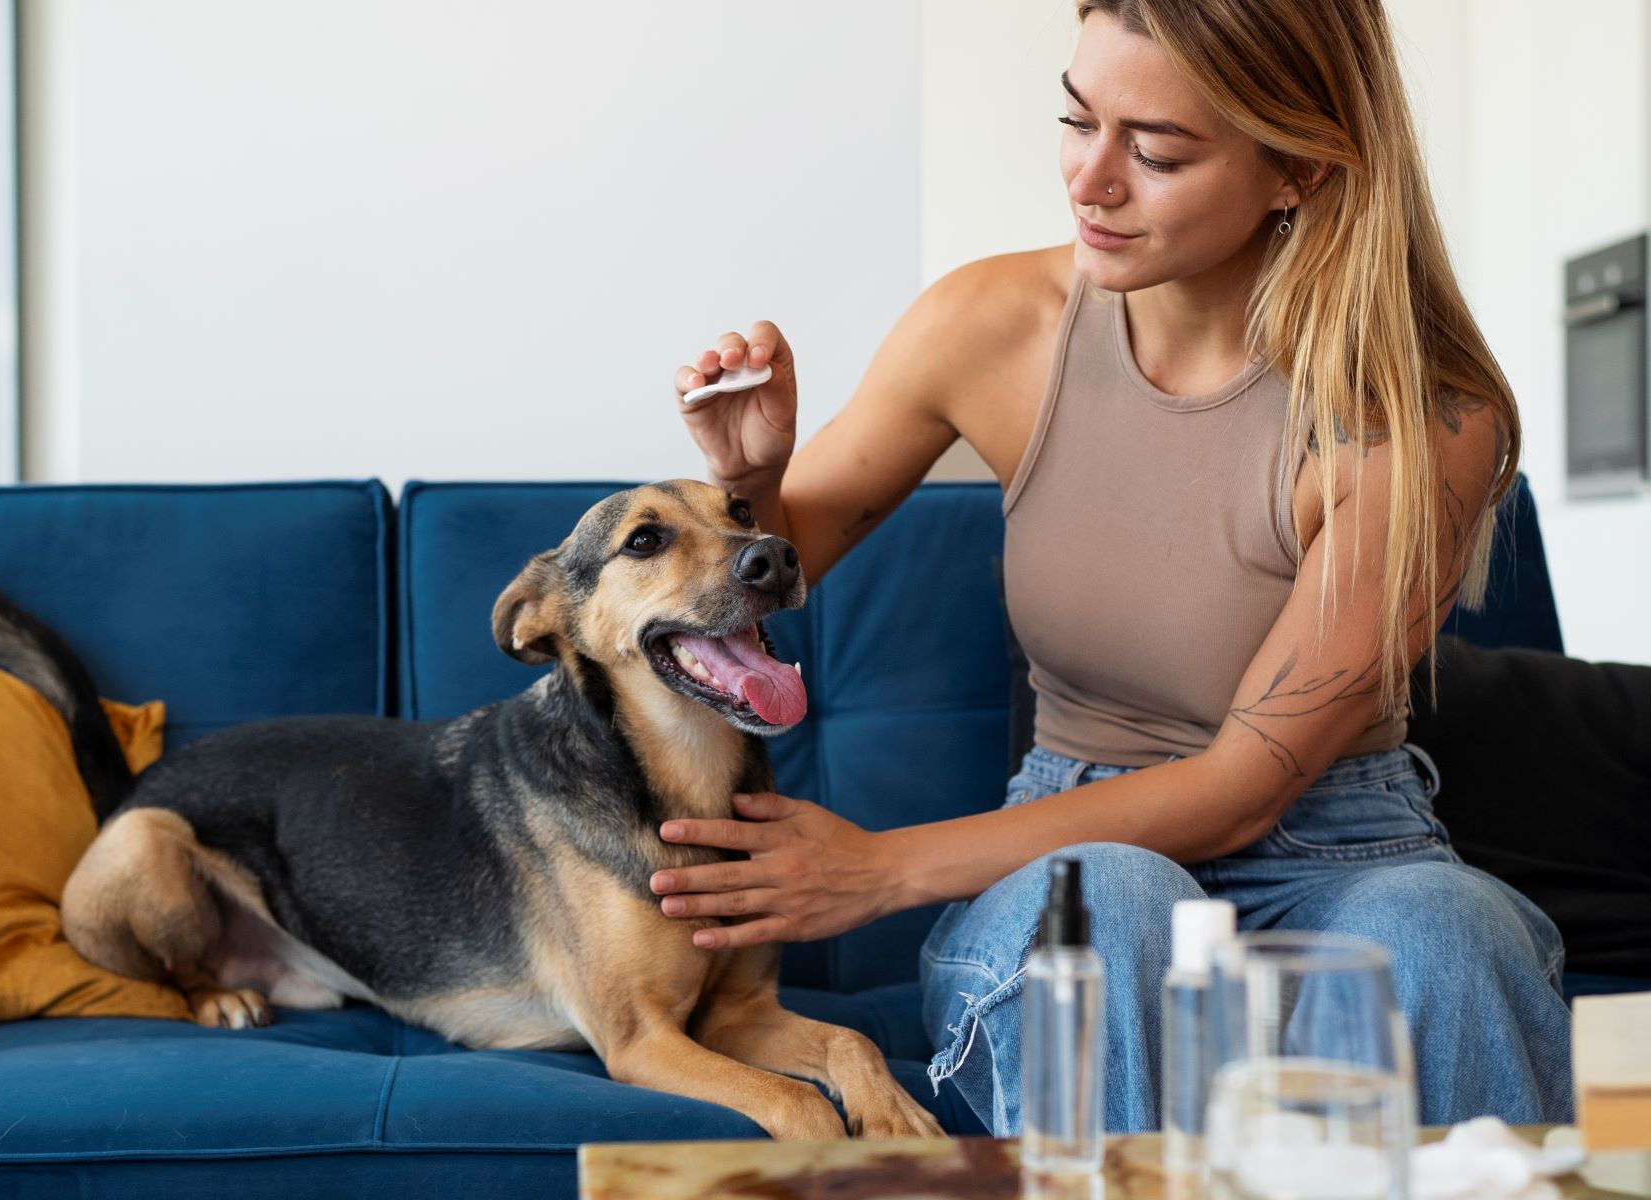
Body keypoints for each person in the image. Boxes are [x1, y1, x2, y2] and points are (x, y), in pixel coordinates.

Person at [652, 0, 1572, 1133]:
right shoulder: (992, 323)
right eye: (1077, 119)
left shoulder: (1416, 418)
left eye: (1157, 150)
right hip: (1076, 847)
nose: (1091, 179)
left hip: (1346, 851)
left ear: (1303, 168)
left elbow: (1243, 787)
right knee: (1115, 905)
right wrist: (751, 480)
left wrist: (879, 869)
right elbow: (775, 573)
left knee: (1450, 934)